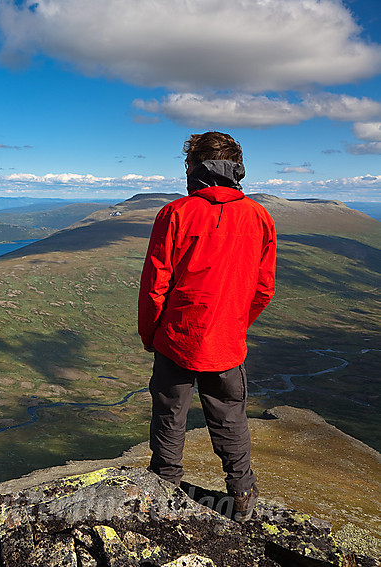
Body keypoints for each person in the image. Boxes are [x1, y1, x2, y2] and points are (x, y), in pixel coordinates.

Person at [137, 131, 276, 522]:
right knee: (230, 415)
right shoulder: (260, 217)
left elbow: (155, 287)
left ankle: (163, 489)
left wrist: (151, 335)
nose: (185, 172)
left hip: (177, 339)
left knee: (169, 413)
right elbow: (264, 288)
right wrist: (232, 324)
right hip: (227, 344)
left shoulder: (175, 213)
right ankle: (242, 494)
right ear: (234, 169)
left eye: (187, 165)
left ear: (198, 167)